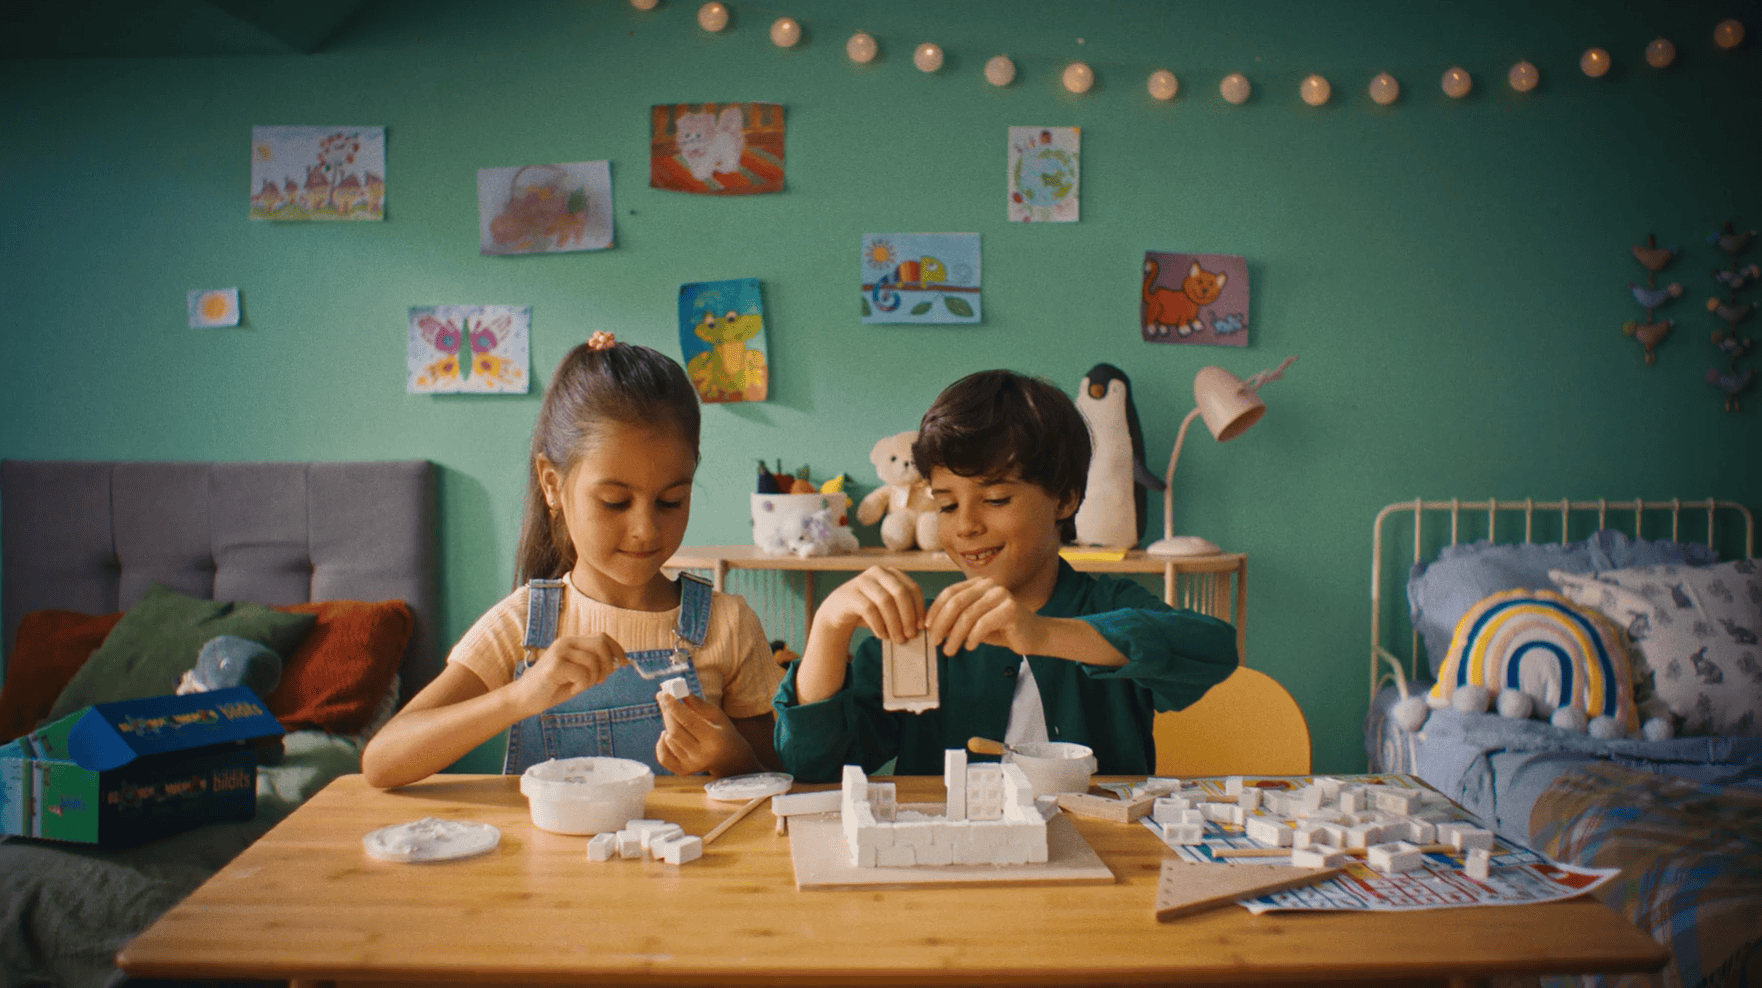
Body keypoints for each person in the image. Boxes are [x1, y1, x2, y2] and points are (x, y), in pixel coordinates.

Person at [772, 369, 1237, 782]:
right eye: (947, 504)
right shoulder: (920, 634)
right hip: (952, 867)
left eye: (995, 499)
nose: (966, 525)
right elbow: (812, 765)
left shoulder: (1110, 605)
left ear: (1064, 499)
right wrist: (829, 628)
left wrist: (1043, 633)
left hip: (1096, 863)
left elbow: (1211, 649)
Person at [363, 332, 782, 789]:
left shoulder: (729, 626)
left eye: (671, 501)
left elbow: (773, 780)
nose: (645, 529)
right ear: (551, 485)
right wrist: (520, 696)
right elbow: (382, 762)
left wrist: (728, 754)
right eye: (615, 502)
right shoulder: (522, 627)